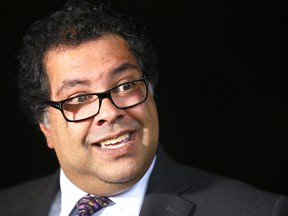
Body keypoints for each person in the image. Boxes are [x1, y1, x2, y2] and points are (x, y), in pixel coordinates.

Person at [0, 0, 287, 215]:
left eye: (125, 85)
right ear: (46, 127)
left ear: (151, 92)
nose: (110, 112)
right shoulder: (8, 205)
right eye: (78, 98)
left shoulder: (258, 211)